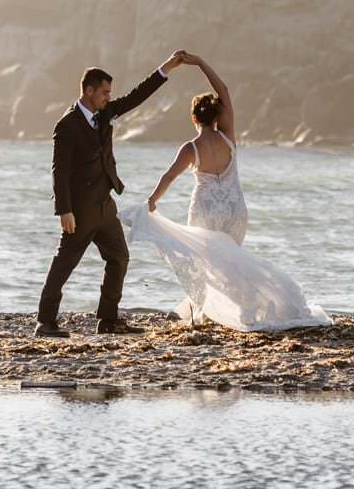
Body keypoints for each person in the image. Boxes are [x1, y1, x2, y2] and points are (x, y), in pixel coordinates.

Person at [126, 52, 329, 331]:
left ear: (194, 118)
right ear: (216, 115)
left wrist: (152, 201)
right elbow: (224, 90)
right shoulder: (228, 136)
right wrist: (200, 63)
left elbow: (170, 175)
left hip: (206, 208)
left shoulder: (191, 148)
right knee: (232, 261)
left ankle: (202, 311)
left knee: (204, 263)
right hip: (234, 209)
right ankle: (242, 307)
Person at [34, 51, 186, 338]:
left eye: (109, 93)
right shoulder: (66, 126)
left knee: (119, 258)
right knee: (64, 264)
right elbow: (60, 171)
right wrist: (64, 210)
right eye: (103, 92)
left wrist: (166, 68)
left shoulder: (104, 113)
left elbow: (135, 97)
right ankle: (45, 321)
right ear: (88, 91)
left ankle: (108, 320)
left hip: (105, 205)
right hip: (79, 210)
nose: (107, 97)